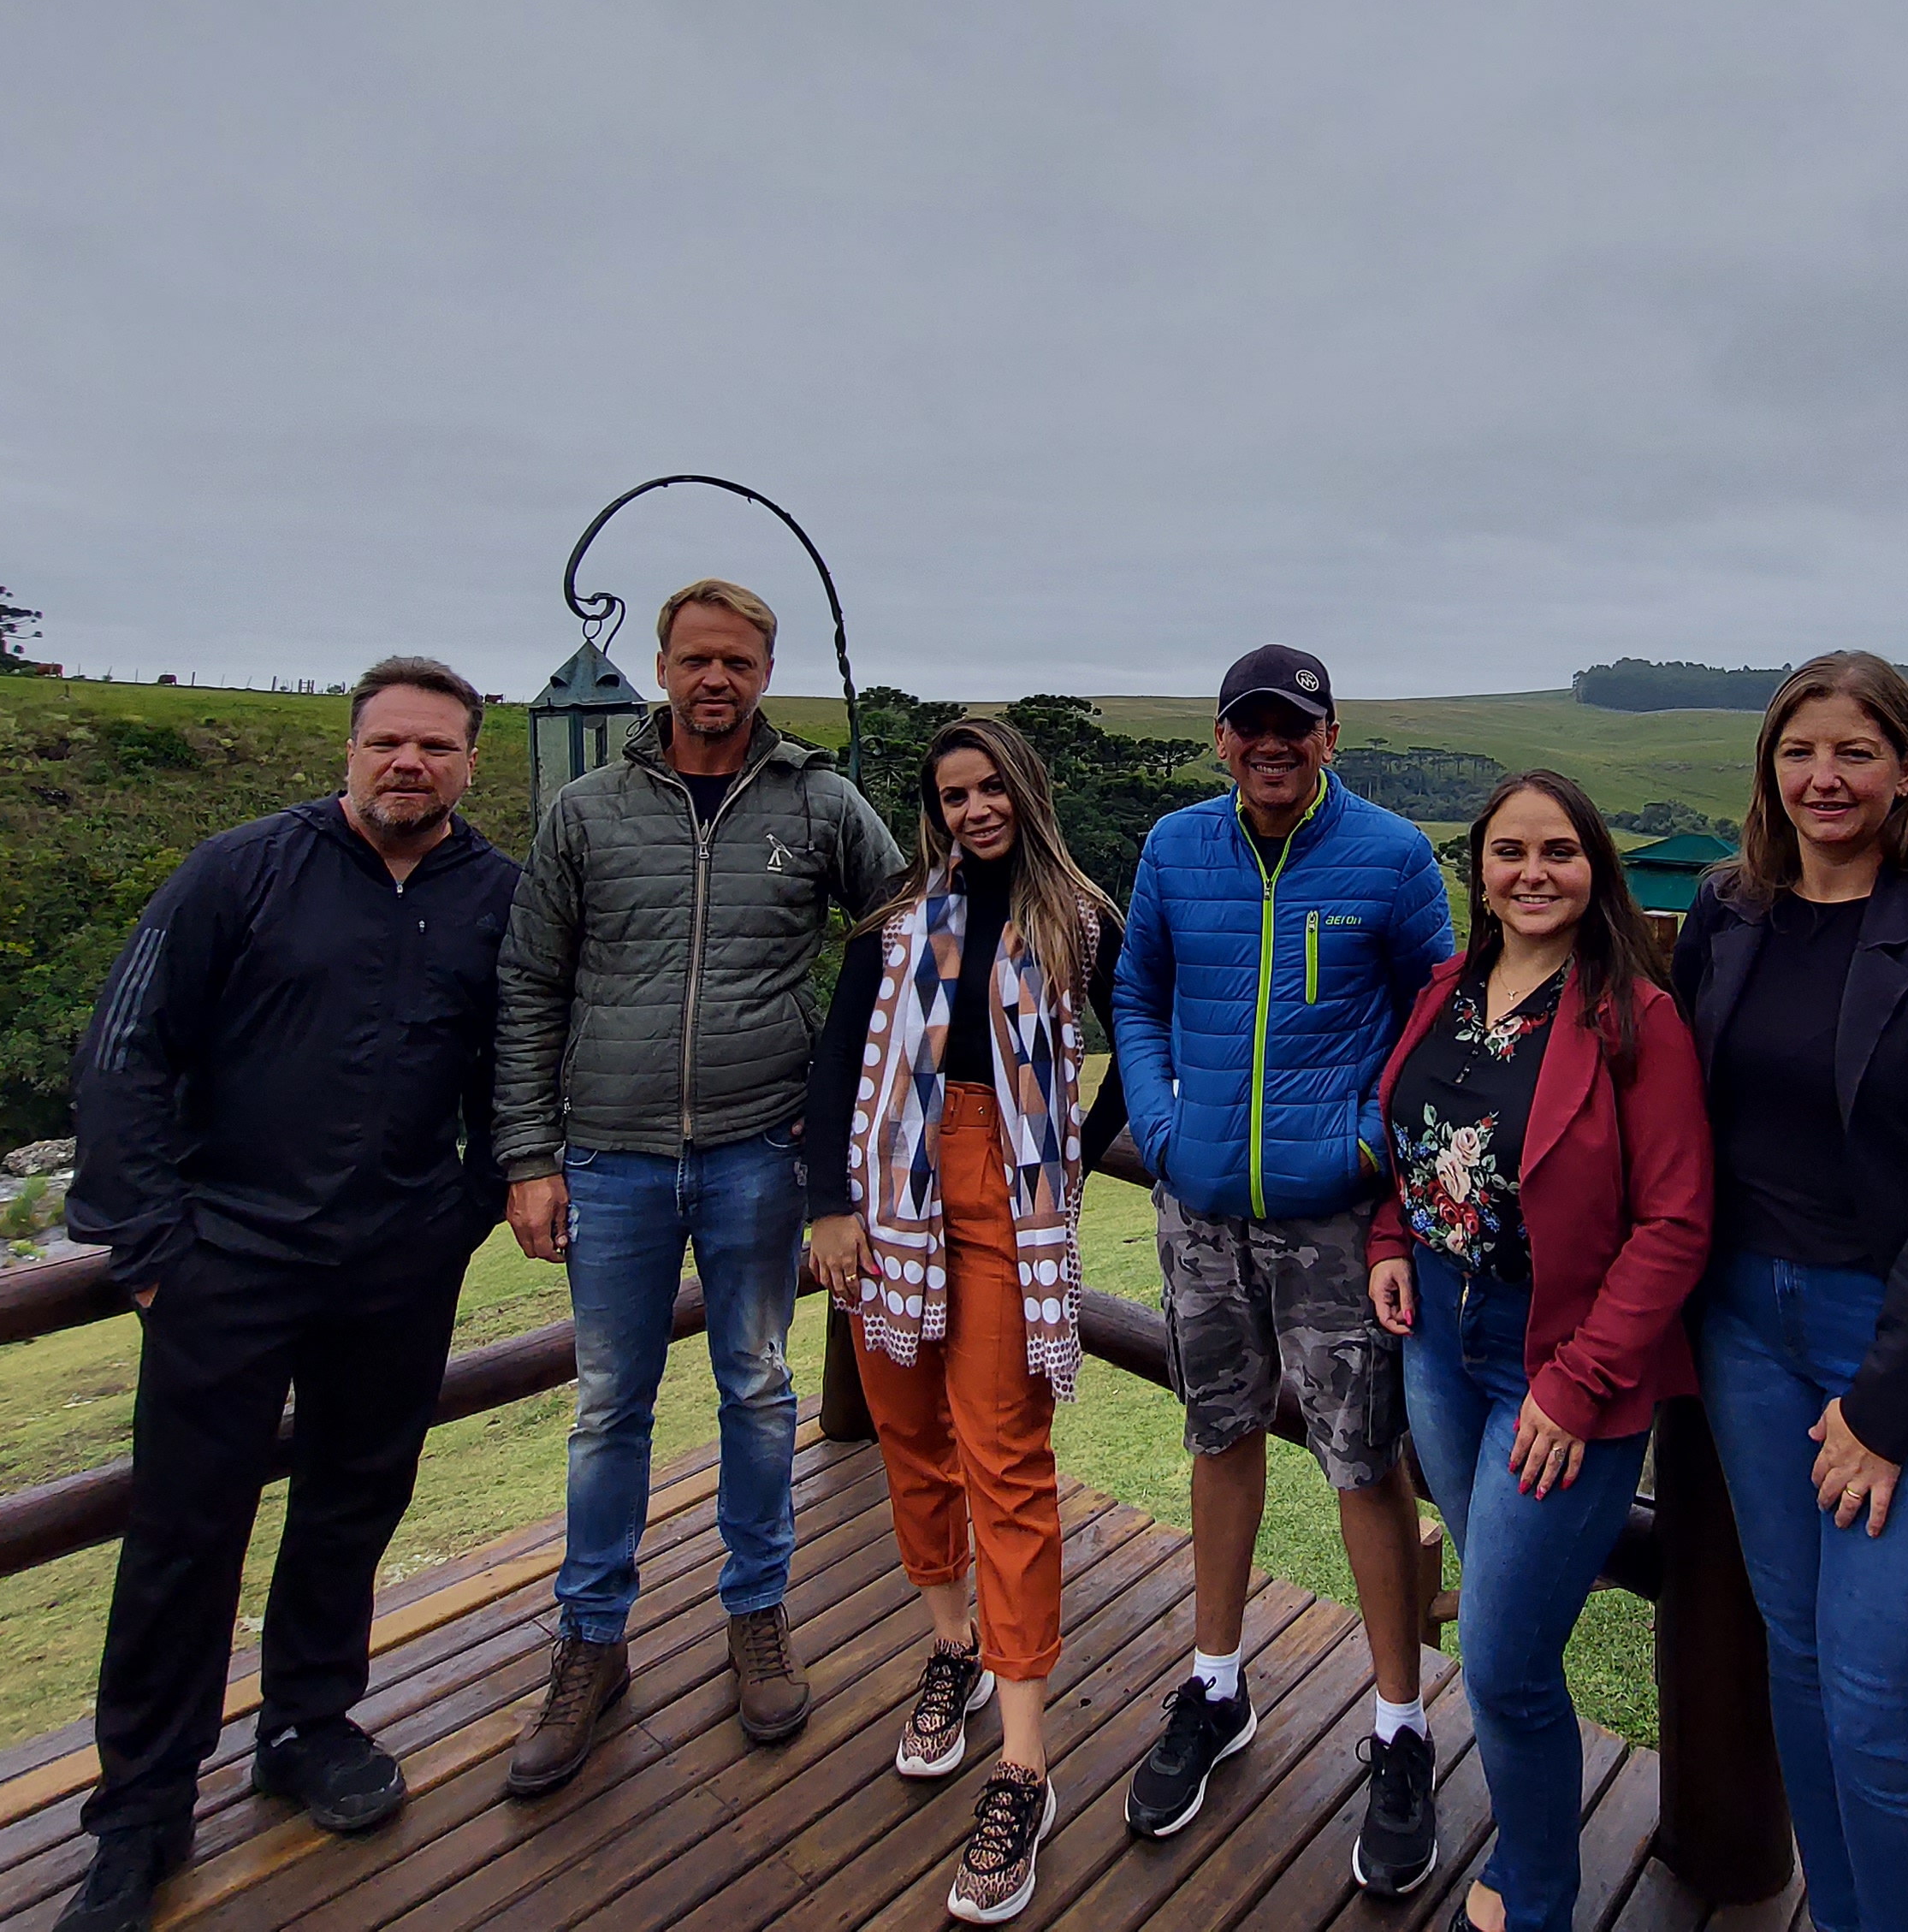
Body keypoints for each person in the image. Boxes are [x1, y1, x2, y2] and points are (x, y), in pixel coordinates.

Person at [58, 658, 519, 1932]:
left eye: (434, 747)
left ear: (472, 761)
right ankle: (140, 1811)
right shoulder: (239, 870)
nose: (407, 765)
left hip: (397, 1266)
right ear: (353, 748)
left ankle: (310, 1723)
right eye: (386, 743)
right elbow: (124, 1047)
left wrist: (463, 1215)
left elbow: (521, 1067)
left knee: (353, 1501)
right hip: (229, 1261)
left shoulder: (497, 898)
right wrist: (149, 1247)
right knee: (183, 1533)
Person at [493, 578, 904, 1792]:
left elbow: (899, 940)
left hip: (756, 1151)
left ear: (765, 672)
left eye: (737, 661)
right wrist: (528, 1155)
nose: (714, 680)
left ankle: (756, 1614)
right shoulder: (586, 811)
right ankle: (590, 1641)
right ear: (662, 666)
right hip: (609, 1155)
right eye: (694, 659)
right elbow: (529, 987)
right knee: (608, 1402)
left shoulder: (822, 803)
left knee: (759, 1386)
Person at [1669, 653, 1908, 1932]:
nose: (1823, 778)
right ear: (1769, 770)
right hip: (1746, 1332)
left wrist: (1887, 1405)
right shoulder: (1730, 915)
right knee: (1800, 1653)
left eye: (1854, 753)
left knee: (1882, 1699)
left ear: (1905, 772)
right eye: (1798, 752)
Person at [1112, 643, 1459, 1892]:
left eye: (1293, 726)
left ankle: (1399, 1726)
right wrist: (1160, 1127)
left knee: (1364, 1461)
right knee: (1217, 1437)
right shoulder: (1174, 849)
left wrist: (1369, 1145)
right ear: (1220, 737)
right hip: (1201, 1209)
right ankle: (1217, 1685)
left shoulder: (1392, 854)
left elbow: (1438, 1020)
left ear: (1328, 734)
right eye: (1249, 725)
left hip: (1332, 1223)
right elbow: (1137, 995)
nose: (1271, 744)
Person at [1364, 772, 1712, 1932]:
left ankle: (1540, 1895)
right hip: (1441, 1350)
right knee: (1510, 1644)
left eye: (1558, 849)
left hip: (1558, 1367)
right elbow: (1411, 1144)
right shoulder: (1447, 990)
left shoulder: (1634, 1018)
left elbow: (1675, 1224)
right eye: (1507, 851)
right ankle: (1531, 1859)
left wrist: (1576, 1383)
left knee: (1506, 1659)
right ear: (1479, 868)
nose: (1532, 872)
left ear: (1593, 865)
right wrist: (1387, 1240)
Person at [804, 716, 1127, 1923]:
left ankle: (1026, 1759)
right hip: (889, 1180)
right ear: (932, 809)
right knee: (905, 1430)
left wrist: (1074, 1158)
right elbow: (839, 1057)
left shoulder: (1080, 916)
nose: (975, 808)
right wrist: (828, 1204)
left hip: (1007, 1186)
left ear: (1024, 791)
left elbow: (1137, 1043)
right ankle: (954, 1646)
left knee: (1006, 1452)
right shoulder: (898, 918)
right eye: (952, 794)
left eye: (992, 786)